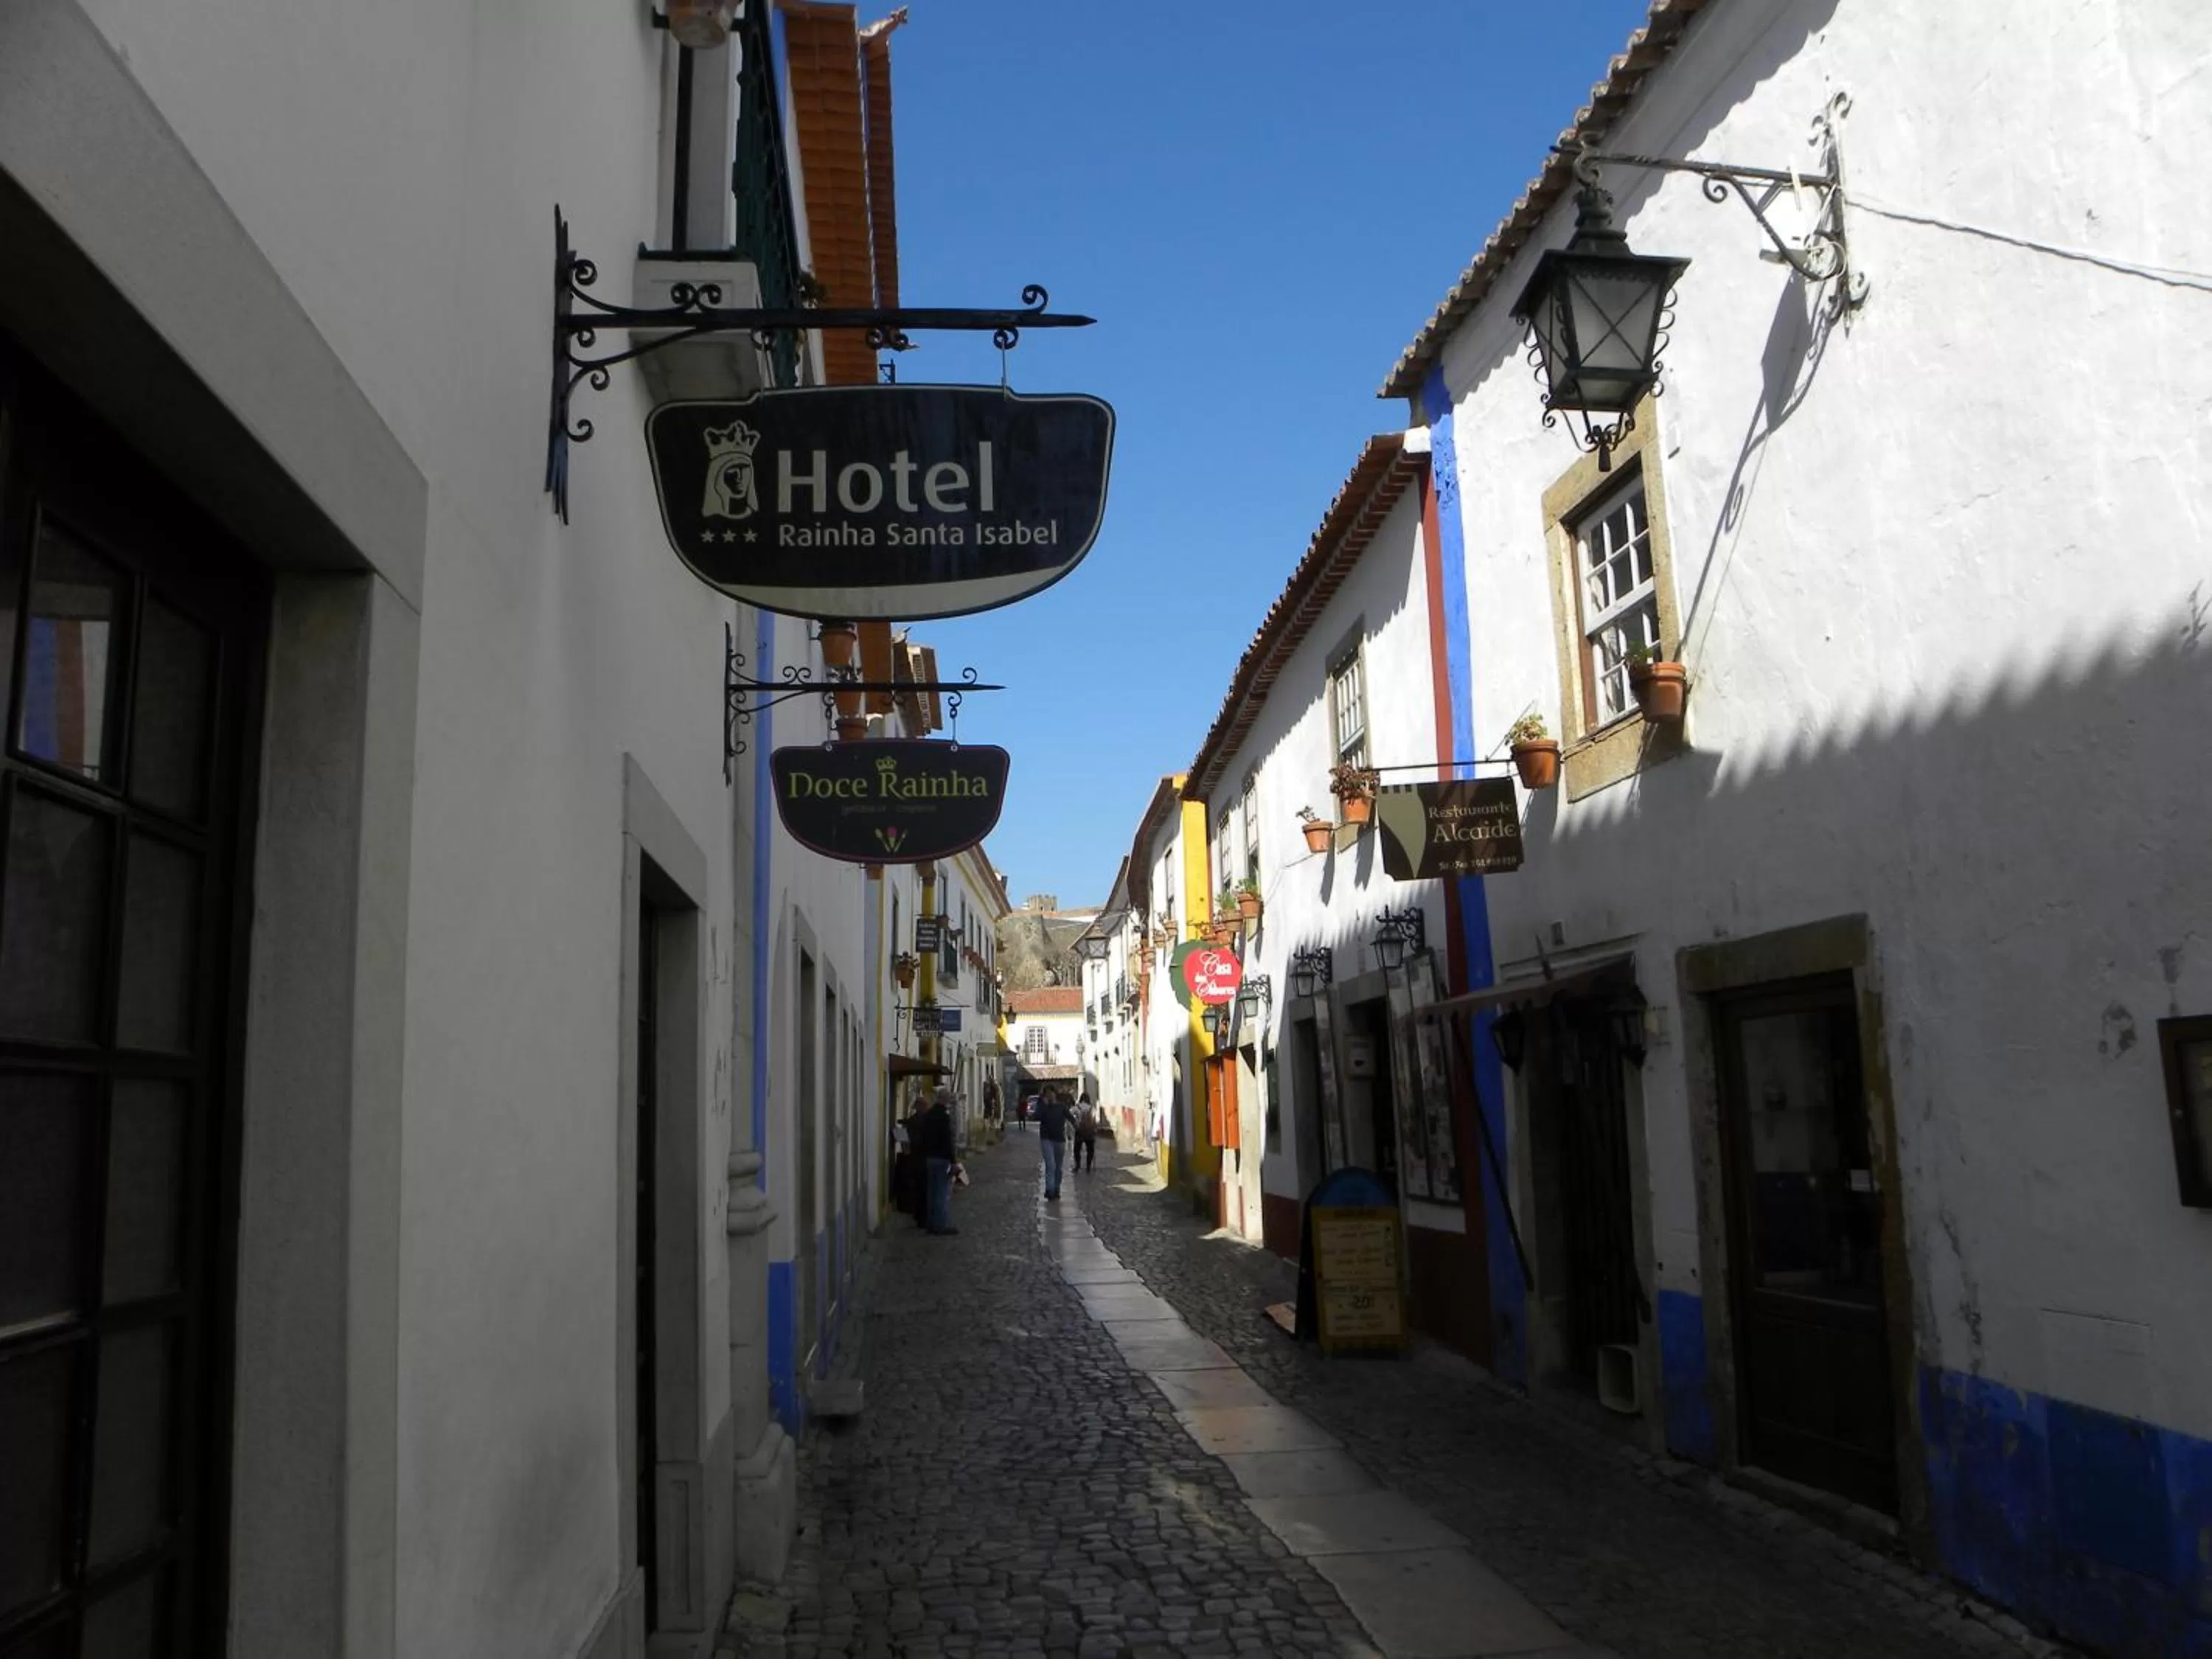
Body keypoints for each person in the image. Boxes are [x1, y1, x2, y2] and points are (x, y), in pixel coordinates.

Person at [917, 1088, 958, 1235]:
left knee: (932, 1192)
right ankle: (940, 1225)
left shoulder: (928, 1115)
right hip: (941, 1158)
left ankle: (931, 1223)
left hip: (929, 1158)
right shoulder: (944, 1117)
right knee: (941, 1192)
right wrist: (953, 1161)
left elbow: (923, 1137)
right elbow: (947, 1140)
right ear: (945, 1100)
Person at [1034, 1091, 1074, 1200]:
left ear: (1055, 1095)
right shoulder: (1043, 1107)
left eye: (1051, 1093)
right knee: (1050, 1165)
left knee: (1058, 1167)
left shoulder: (1061, 1107)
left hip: (1059, 1140)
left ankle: (1056, 1189)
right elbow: (1035, 1116)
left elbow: (1070, 1117)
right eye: (1047, 1094)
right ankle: (1049, 1190)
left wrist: (1078, 1126)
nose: (1050, 1096)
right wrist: (1044, 1106)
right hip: (1046, 1139)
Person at [1073, 1093, 1099, 1173]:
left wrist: (1076, 1122)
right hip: (1089, 1131)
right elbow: (1096, 1120)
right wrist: (1095, 1129)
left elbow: (1070, 1114)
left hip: (1079, 1131)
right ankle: (1088, 1167)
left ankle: (1078, 1166)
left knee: (1077, 1150)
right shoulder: (1092, 1107)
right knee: (1090, 1150)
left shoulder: (1077, 1107)